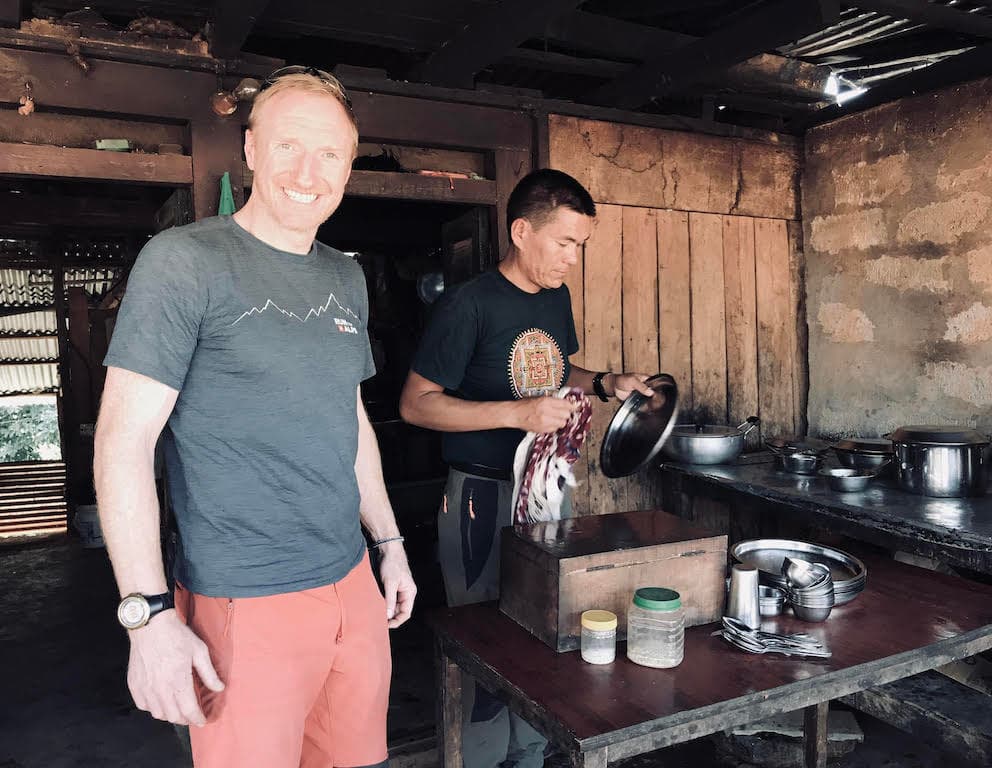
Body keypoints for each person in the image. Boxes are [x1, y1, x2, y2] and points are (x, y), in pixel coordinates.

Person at [94, 66, 416, 768]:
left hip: (352, 585)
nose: (307, 172)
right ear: (250, 148)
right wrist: (148, 616)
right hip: (244, 600)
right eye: (288, 145)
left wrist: (388, 542)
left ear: (349, 165)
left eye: (329, 153)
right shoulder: (184, 262)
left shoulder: (345, 276)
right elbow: (123, 440)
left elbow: (349, 418)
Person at [399, 168, 651, 768]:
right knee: (486, 637)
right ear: (521, 232)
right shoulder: (468, 305)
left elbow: (559, 371)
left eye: (579, 245)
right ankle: (482, 758)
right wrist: (519, 414)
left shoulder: (554, 298)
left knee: (543, 625)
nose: (572, 259)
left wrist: (606, 382)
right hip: (481, 496)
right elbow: (416, 404)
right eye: (564, 242)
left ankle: (533, 752)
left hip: (546, 493)